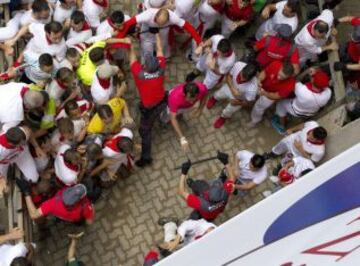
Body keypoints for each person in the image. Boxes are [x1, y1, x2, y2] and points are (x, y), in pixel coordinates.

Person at [128, 34, 167, 167]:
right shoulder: (161, 68)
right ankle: (164, 118)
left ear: (145, 68)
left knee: (145, 132)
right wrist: (157, 34)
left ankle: (146, 158)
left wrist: (131, 47)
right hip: (162, 100)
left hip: (149, 107)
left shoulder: (140, 75)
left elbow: (132, 61)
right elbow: (160, 50)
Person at [122, 6, 202, 58]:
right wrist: (120, 36)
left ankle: (162, 57)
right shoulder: (147, 14)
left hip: (163, 31)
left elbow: (189, 27)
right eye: (157, 22)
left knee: (163, 45)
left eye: (162, 23)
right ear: (156, 15)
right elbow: (128, 23)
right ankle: (148, 59)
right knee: (146, 45)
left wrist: (199, 41)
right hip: (148, 29)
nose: (158, 24)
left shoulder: (174, 18)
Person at [177, 151, 235, 221]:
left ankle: (192, 185)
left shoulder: (200, 203)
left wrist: (183, 172)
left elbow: (181, 192)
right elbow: (232, 178)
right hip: (215, 213)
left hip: (203, 214)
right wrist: (226, 162)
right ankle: (194, 184)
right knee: (201, 185)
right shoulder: (225, 192)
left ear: (209, 194)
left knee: (199, 185)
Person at [17, 179, 95, 224]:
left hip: (60, 215)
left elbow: (34, 215)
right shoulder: (86, 206)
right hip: (74, 219)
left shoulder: (52, 203)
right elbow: (89, 222)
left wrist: (27, 192)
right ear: (81, 198)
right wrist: (92, 208)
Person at [207, 61, 258, 128]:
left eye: (245, 79)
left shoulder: (253, 88)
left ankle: (223, 118)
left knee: (228, 111)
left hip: (239, 99)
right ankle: (214, 99)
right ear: (242, 69)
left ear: (251, 78)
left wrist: (238, 103)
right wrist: (232, 89)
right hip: (230, 86)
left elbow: (249, 103)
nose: (242, 79)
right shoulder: (238, 65)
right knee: (218, 94)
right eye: (241, 75)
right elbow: (228, 76)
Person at [161, 81, 208, 151]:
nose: (192, 102)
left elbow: (205, 96)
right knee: (167, 116)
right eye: (189, 99)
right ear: (184, 94)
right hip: (173, 105)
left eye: (194, 99)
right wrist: (182, 138)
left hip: (184, 107)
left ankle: (179, 114)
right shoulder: (174, 98)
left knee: (181, 111)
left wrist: (200, 109)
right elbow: (173, 118)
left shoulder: (202, 88)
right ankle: (162, 122)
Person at [250, 60, 296, 127]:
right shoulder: (276, 64)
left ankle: (255, 120)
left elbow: (276, 96)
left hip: (269, 95)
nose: (279, 78)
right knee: (250, 93)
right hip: (261, 86)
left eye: (283, 77)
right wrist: (259, 80)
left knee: (259, 107)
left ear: (289, 76)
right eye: (279, 74)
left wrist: (265, 93)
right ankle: (248, 103)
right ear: (281, 67)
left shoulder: (291, 84)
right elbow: (264, 72)